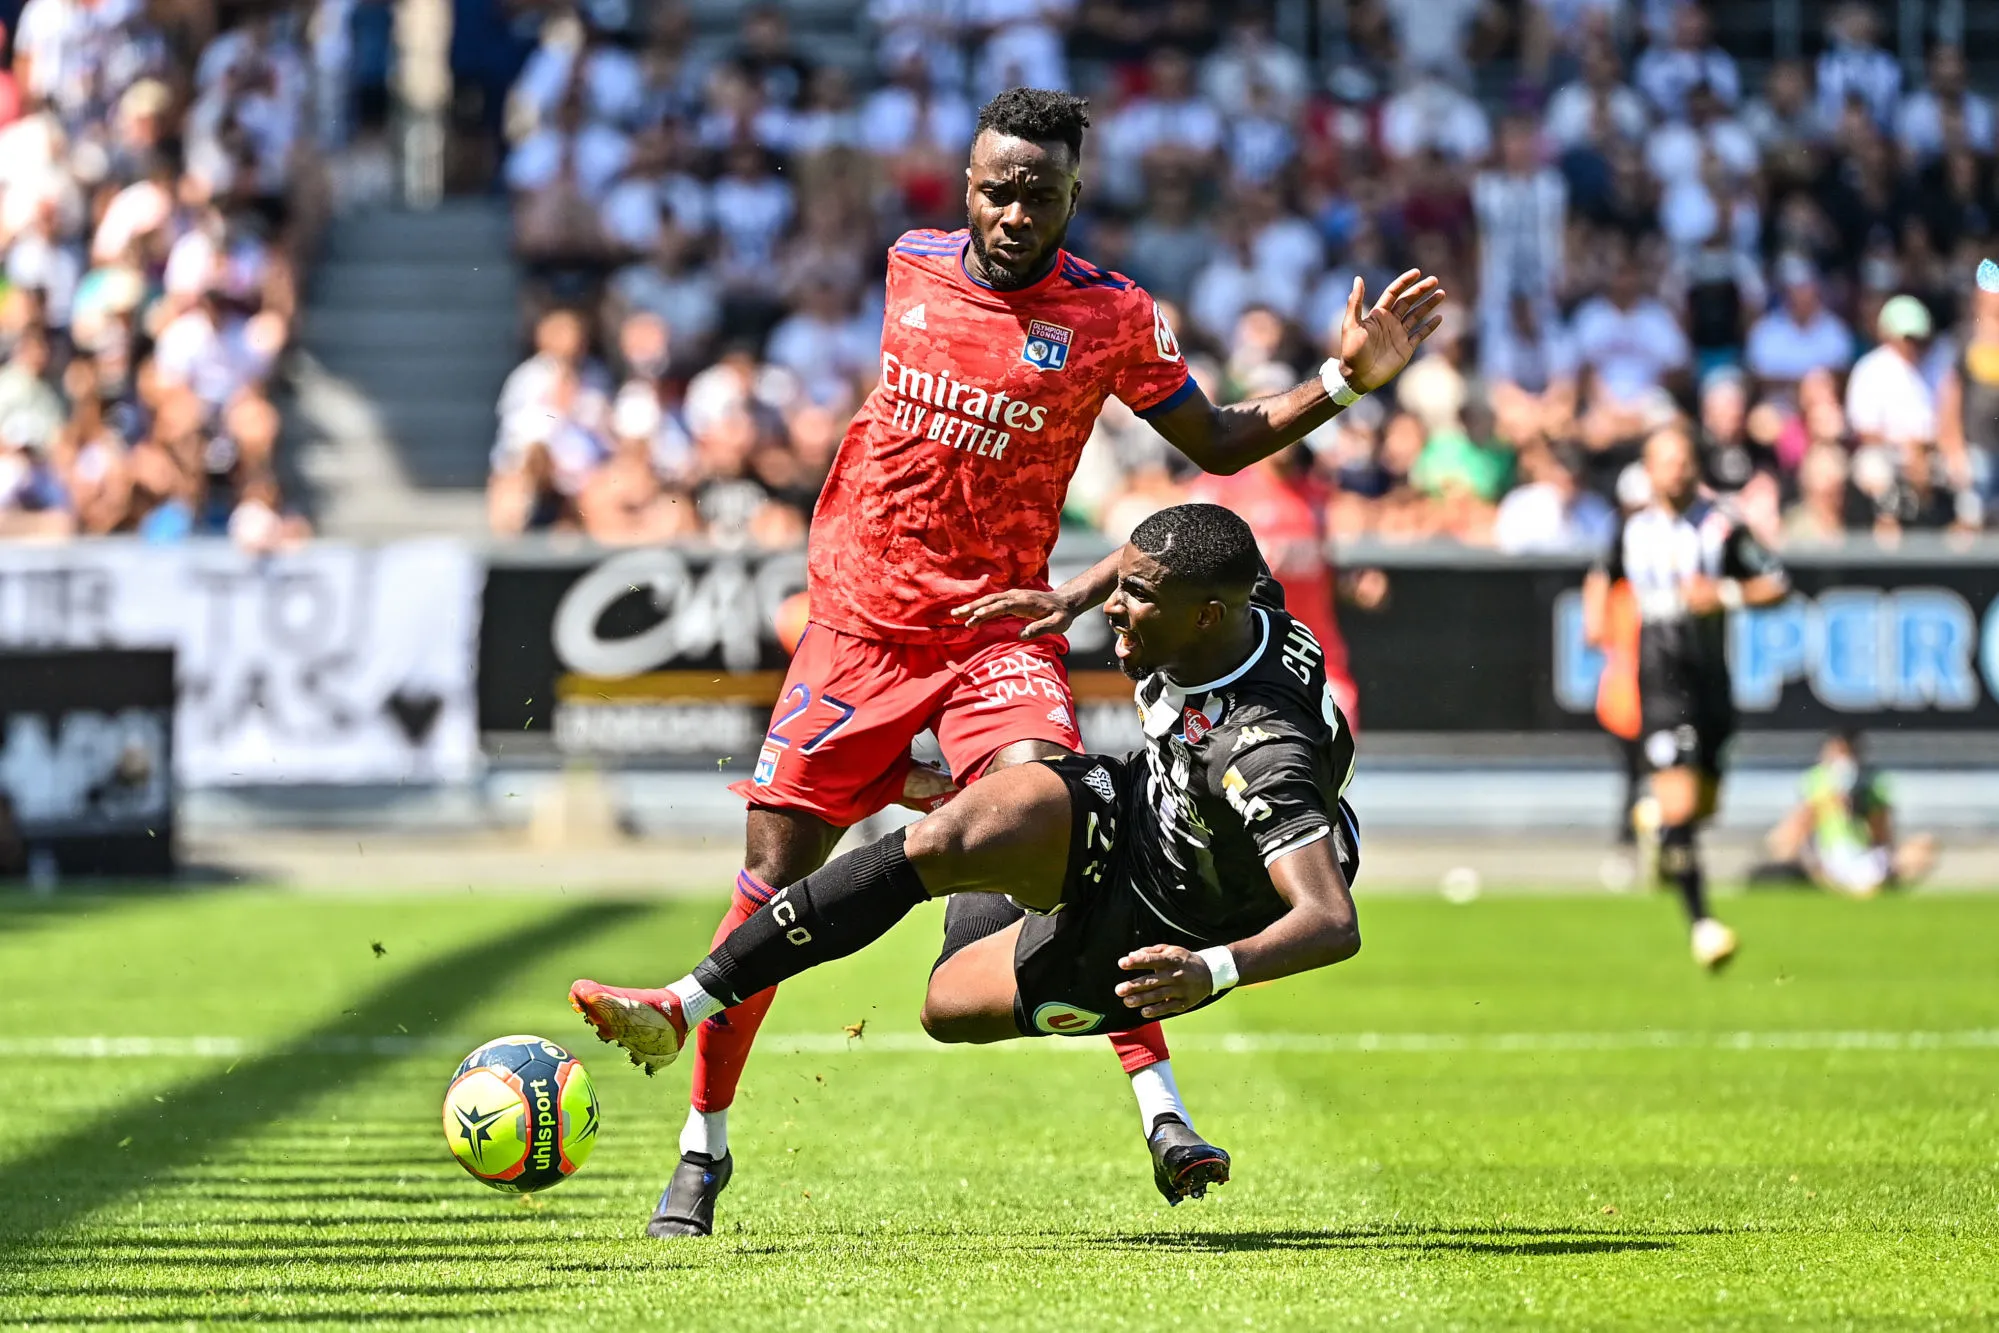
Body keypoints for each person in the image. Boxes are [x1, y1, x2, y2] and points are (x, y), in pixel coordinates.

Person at [647, 87, 1444, 1237]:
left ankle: (1160, 1105)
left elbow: (1215, 440)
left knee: (1068, 831)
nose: (1014, 211)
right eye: (995, 188)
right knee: (766, 883)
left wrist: (1345, 380)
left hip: (993, 638)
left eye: (1039, 192)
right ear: (964, 186)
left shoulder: (1112, 316)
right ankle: (702, 1145)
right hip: (857, 634)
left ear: (1075, 193)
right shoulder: (908, 267)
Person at [573, 504, 1363, 1204]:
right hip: (1136, 811)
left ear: (1204, 616)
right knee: (953, 835)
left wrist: (1210, 970)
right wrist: (1070, 598)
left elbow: (1329, 919)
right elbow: (1153, 558)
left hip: (1173, 914)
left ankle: (1150, 1083)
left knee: (946, 1007)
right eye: (1122, 584)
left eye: (1138, 598)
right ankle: (683, 1003)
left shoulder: (1261, 753)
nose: (1116, 607)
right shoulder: (1242, 598)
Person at [1581, 428, 1789, 969]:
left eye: (1684, 461)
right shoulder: (1632, 527)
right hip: (1661, 680)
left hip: (1711, 681)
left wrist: (1721, 593)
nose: (1676, 471)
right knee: (1679, 806)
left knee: (1702, 807)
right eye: (1666, 462)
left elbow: (1777, 583)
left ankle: (1658, 823)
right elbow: (1604, 572)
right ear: (1649, 471)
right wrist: (1596, 617)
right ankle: (1703, 924)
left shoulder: (1721, 526)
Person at [1761, 731, 1936, 897]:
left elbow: (1881, 832)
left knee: (1923, 846)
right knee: (1782, 839)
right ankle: (1823, 882)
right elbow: (1801, 824)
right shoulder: (1816, 780)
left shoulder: (1873, 783)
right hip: (1829, 856)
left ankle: (1868, 884)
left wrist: (1856, 807)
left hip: (1865, 854)